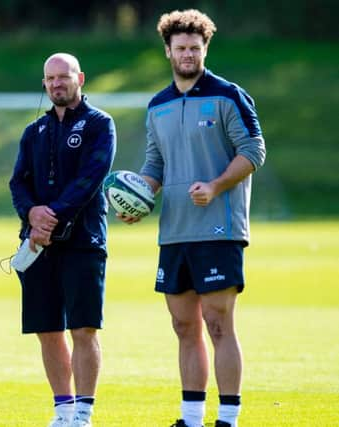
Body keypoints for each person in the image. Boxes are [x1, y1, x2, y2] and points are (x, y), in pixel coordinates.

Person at [119, 9, 266, 427]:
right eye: (180, 48)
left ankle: (229, 419)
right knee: (184, 326)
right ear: (168, 51)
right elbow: (154, 163)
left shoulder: (228, 95)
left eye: (194, 48)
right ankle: (191, 418)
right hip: (175, 232)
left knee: (218, 323)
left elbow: (254, 151)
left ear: (205, 49)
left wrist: (217, 186)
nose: (187, 54)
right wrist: (142, 196)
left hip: (219, 228)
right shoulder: (158, 105)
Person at [9, 53, 116, 427]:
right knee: (47, 328)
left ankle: (84, 413)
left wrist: (49, 217)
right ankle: (63, 409)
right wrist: (31, 214)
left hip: (83, 241)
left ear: (80, 78)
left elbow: (90, 178)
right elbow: (17, 182)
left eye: (64, 76)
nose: (57, 83)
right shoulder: (33, 131)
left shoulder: (99, 124)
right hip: (38, 246)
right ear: (44, 83)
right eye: (50, 78)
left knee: (83, 328)